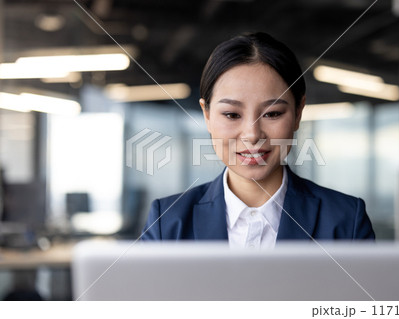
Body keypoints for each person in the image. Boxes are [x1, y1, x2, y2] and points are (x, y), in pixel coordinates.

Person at [141, 32, 375, 247]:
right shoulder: (167, 223)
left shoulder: (346, 222)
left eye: (272, 114)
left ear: (298, 113)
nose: (252, 135)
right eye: (232, 115)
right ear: (207, 116)